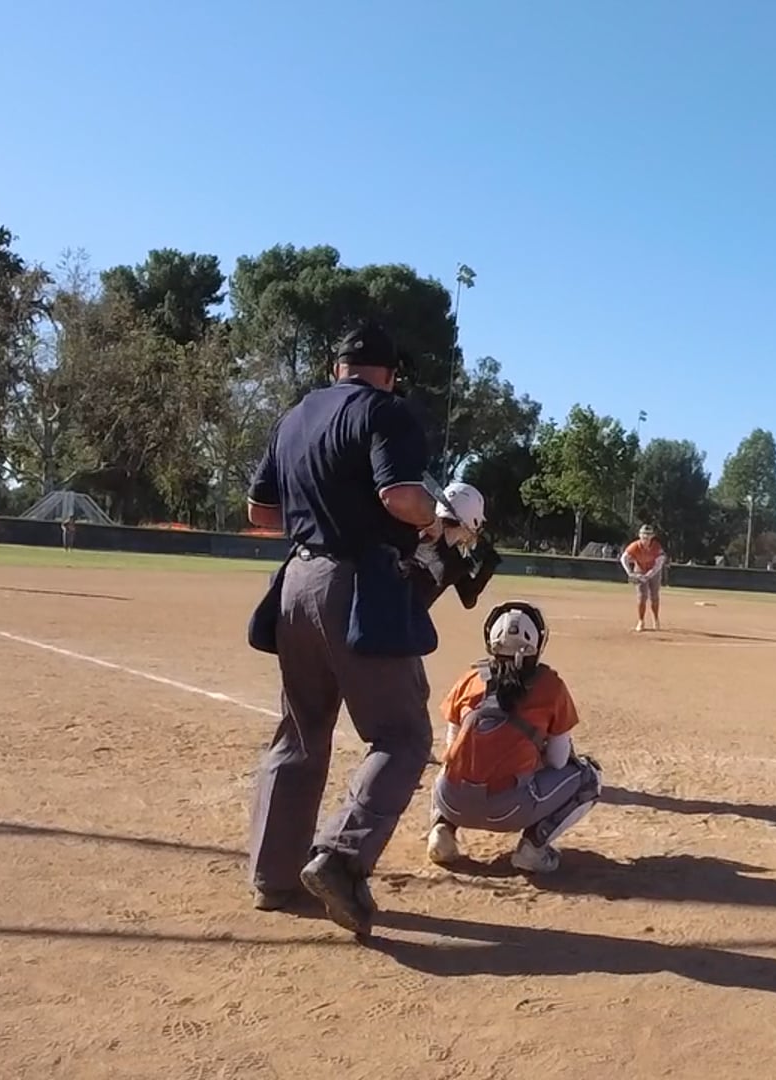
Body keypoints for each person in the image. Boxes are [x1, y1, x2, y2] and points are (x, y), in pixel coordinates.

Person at [242, 321, 441, 939]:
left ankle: (273, 876)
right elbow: (399, 495)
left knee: (300, 733)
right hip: (358, 584)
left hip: (295, 584)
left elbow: (260, 511)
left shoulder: (293, 418)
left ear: (337, 368)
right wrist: (437, 523)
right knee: (403, 734)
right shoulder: (385, 411)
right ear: (389, 374)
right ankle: (340, 857)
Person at [426, 601, 602, 874]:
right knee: (589, 777)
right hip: (508, 810)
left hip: (451, 800)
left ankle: (441, 829)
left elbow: (452, 744)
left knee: (451, 765)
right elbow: (557, 761)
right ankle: (533, 847)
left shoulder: (470, 678)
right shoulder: (550, 686)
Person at [407, 481, 502, 613]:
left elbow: (468, 598)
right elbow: (442, 569)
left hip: (405, 617)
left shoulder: (452, 556)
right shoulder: (431, 546)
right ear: (470, 521)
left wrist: (488, 566)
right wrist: (469, 563)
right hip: (391, 615)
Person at [621, 524, 667, 632]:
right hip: (640, 570)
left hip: (654, 572)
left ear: (652, 536)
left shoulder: (657, 547)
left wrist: (648, 575)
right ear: (639, 535)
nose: (645, 538)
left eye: (648, 535)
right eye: (643, 535)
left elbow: (659, 564)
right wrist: (630, 573)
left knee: (654, 596)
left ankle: (655, 619)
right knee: (642, 597)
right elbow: (624, 558)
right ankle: (641, 621)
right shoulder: (635, 546)